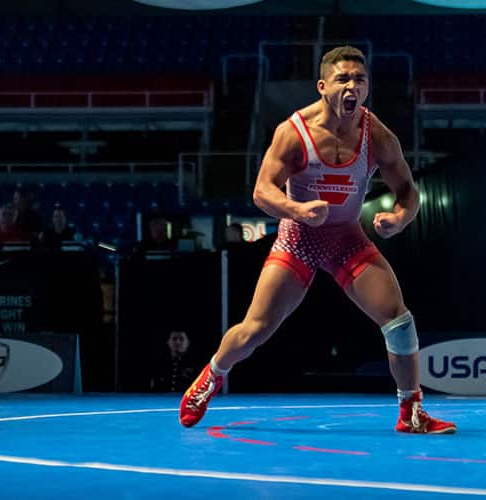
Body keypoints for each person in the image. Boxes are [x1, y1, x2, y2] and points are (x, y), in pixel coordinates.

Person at [179, 46, 456, 434]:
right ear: (323, 87)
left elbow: (409, 192)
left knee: (399, 322)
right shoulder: (294, 133)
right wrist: (297, 210)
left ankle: (411, 412)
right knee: (256, 328)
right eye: (343, 79)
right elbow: (262, 192)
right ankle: (212, 375)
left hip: (346, 238)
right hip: (299, 238)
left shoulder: (377, 135)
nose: (352, 87)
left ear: (367, 88)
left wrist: (399, 218)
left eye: (359, 80)